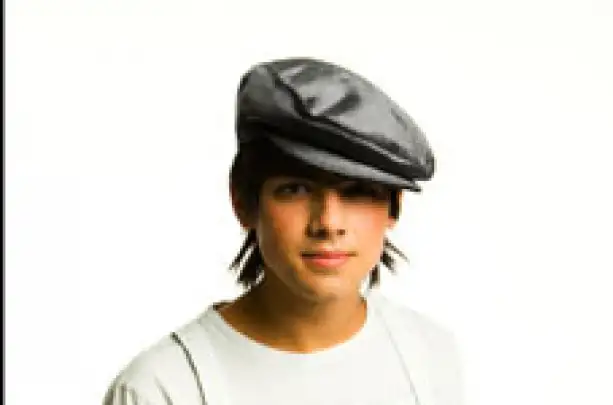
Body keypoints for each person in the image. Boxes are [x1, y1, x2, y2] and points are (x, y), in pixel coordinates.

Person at [103, 57, 464, 405]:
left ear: (394, 206)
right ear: (243, 202)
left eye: (357, 192)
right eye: (296, 189)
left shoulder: (430, 356)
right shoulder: (162, 389)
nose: (328, 223)